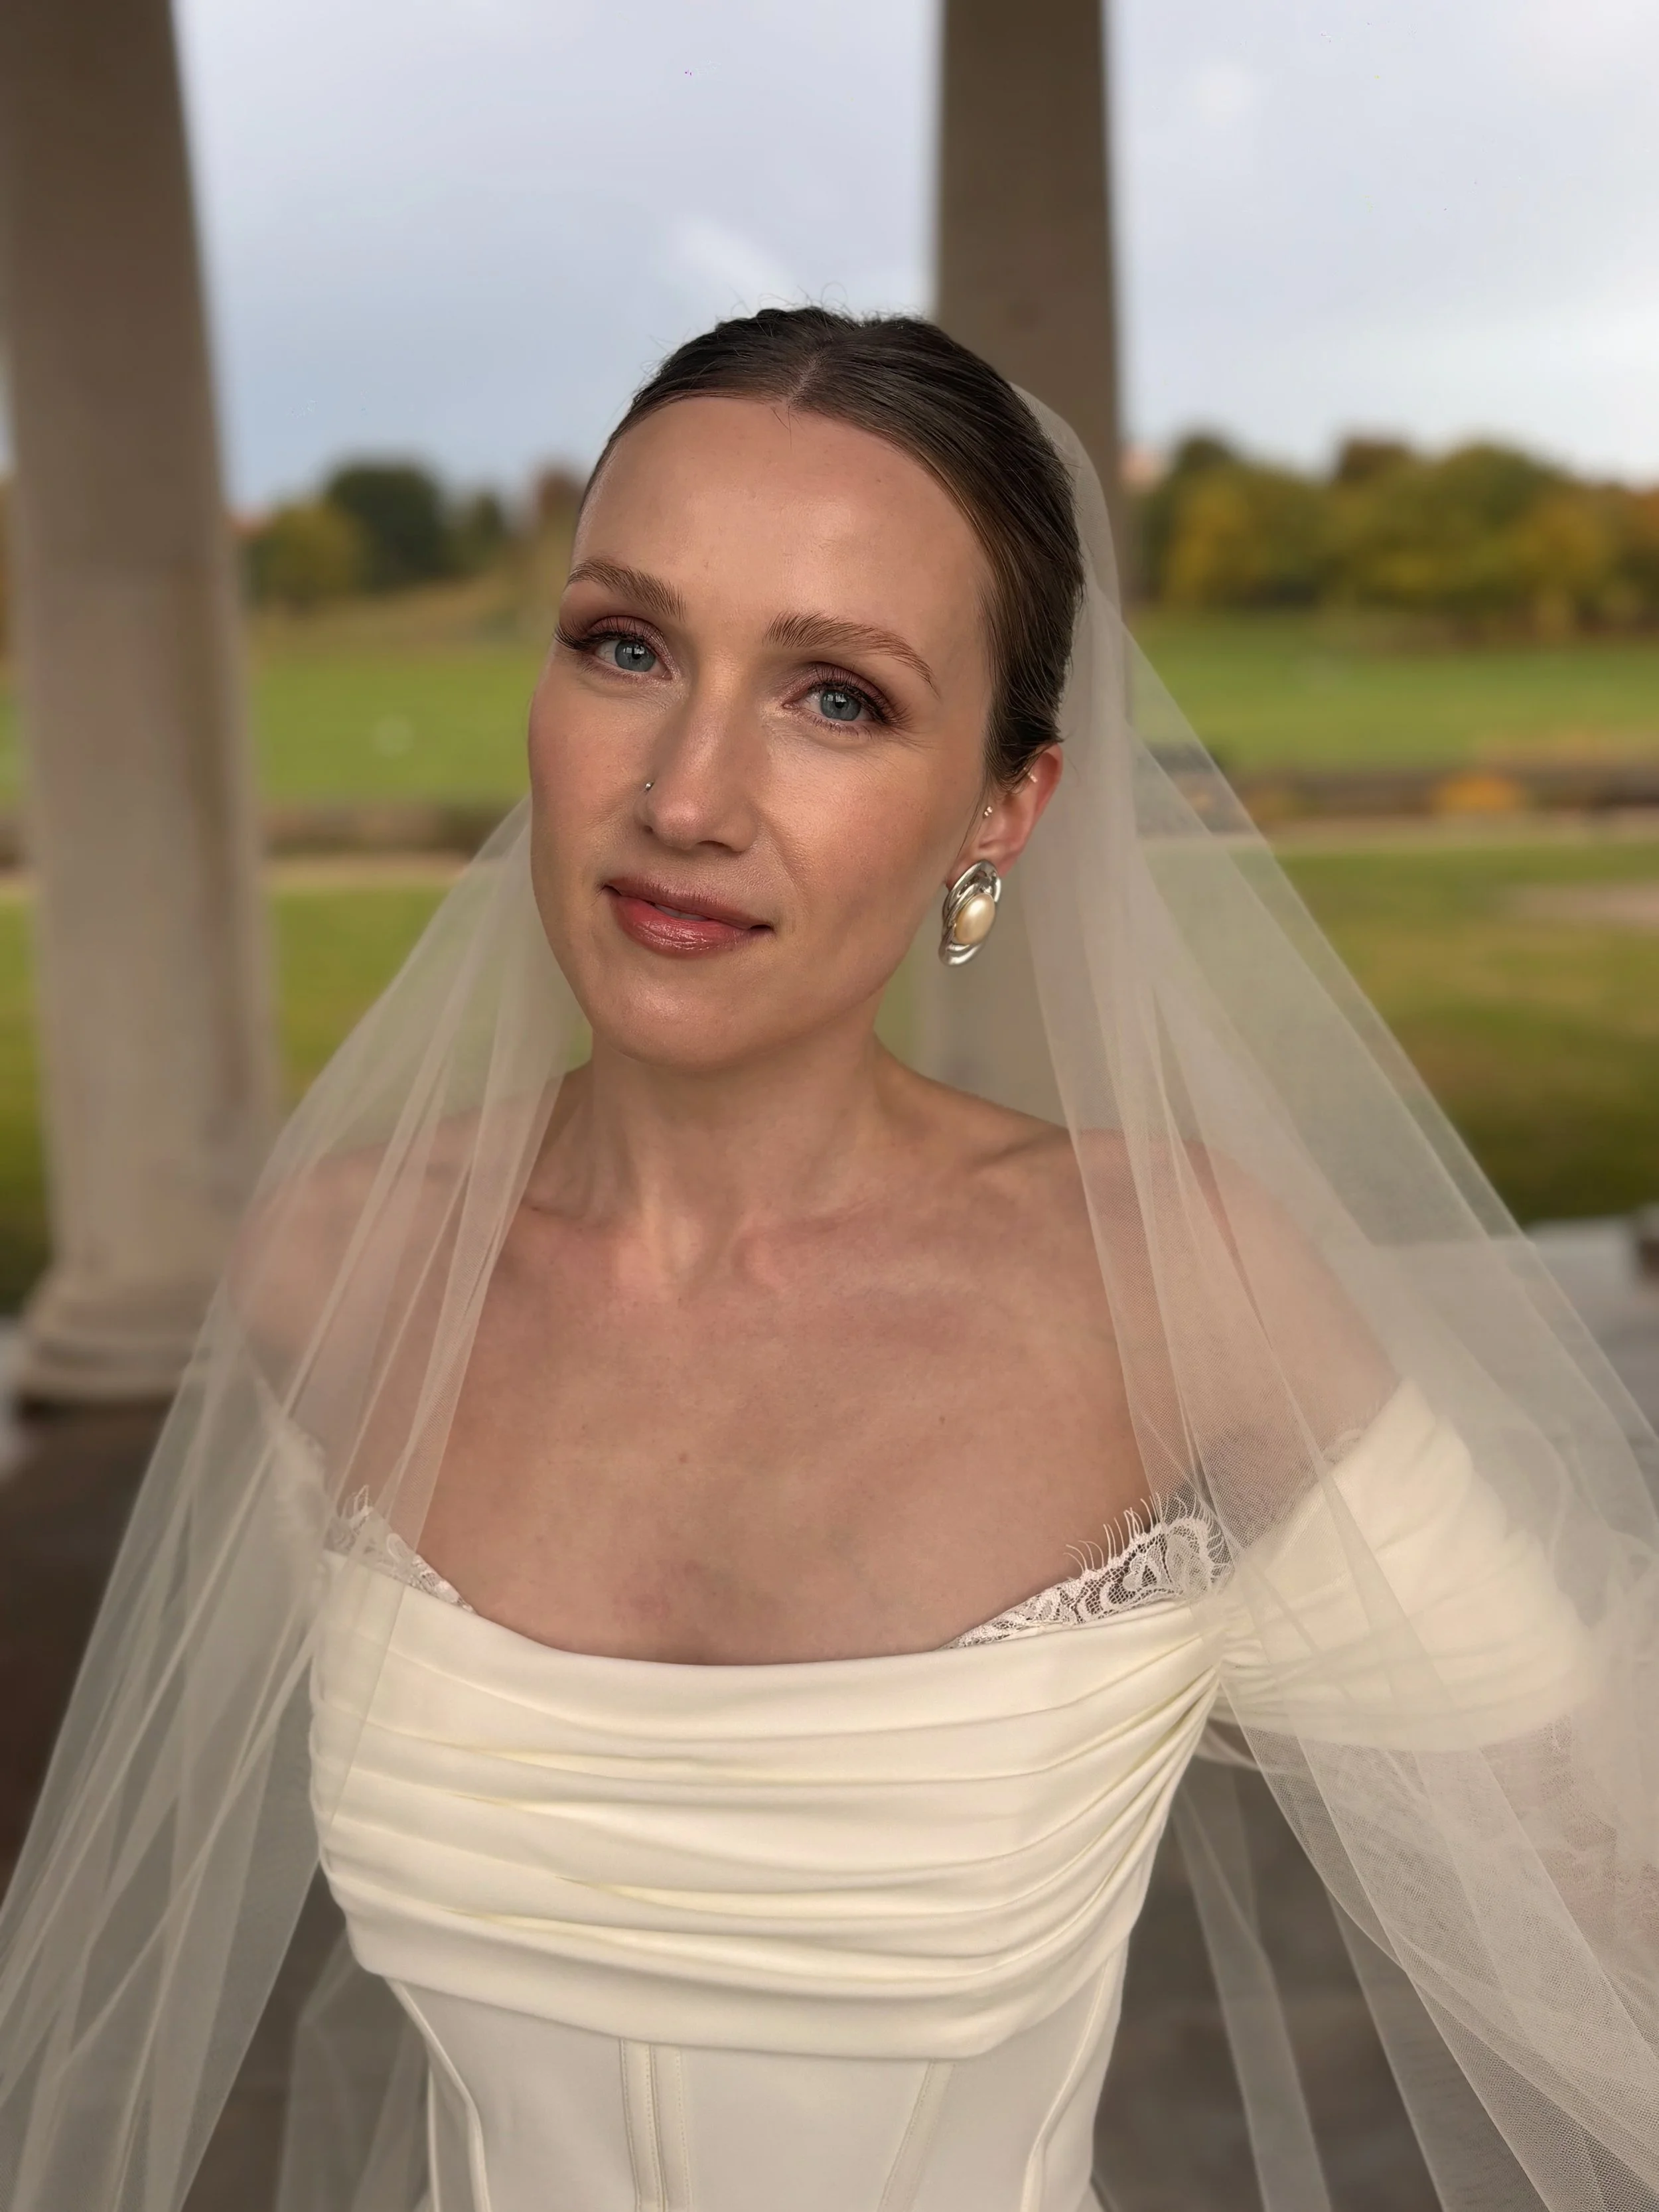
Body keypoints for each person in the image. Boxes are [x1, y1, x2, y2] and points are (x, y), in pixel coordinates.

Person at [1, 310, 1656, 2212]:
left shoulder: (1167, 1290)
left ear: (999, 812)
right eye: (626, 647)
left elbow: (1606, 1889)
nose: (686, 795)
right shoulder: (342, 1267)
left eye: (837, 696)